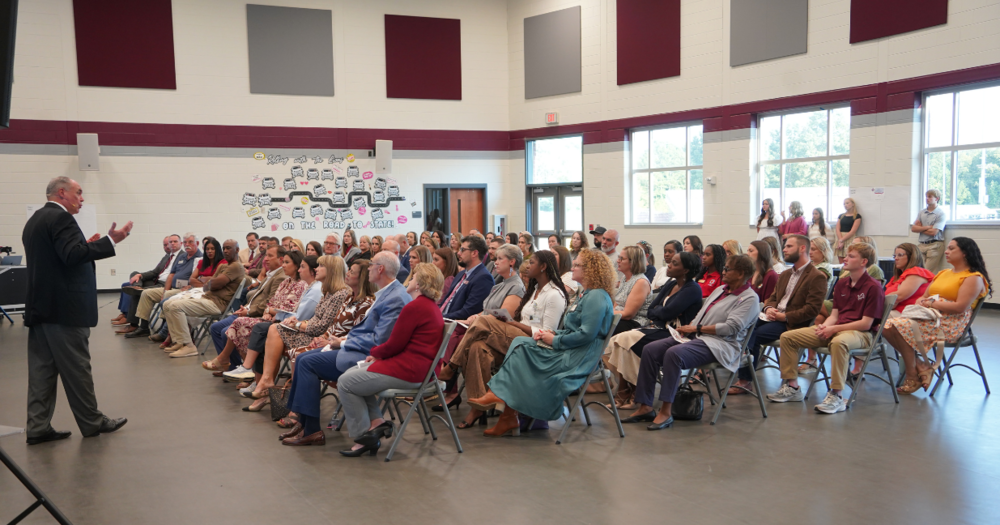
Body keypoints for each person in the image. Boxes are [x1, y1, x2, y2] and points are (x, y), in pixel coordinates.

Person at [22, 176, 132, 444]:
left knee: (42, 372)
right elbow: (72, 256)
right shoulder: (61, 218)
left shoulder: (36, 219)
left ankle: (37, 427)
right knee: (77, 369)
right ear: (62, 193)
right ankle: (92, 422)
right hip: (64, 311)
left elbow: (60, 257)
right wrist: (109, 241)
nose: (82, 199)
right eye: (78, 193)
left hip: (41, 308)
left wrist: (86, 246)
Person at [468, 249, 616, 437]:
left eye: (577, 265)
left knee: (521, 347)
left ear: (591, 270)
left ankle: (502, 403)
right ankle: (506, 411)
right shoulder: (587, 294)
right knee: (520, 344)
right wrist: (553, 333)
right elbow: (574, 329)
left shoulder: (596, 296)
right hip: (571, 348)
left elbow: (586, 335)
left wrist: (555, 339)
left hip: (578, 357)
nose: (572, 268)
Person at [279, 252, 410, 445]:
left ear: (380, 269)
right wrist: (342, 339)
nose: (369, 268)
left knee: (307, 363)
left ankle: (311, 429)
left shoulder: (395, 297)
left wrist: (341, 343)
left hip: (367, 355)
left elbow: (379, 340)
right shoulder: (387, 293)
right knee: (301, 359)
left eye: (372, 264)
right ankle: (304, 423)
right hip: (356, 347)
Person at [622, 254, 759, 430]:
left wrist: (696, 328)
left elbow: (731, 328)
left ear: (740, 274)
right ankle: (646, 406)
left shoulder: (749, 298)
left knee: (674, 354)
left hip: (721, 344)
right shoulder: (721, 290)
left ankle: (666, 411)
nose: (723, 271)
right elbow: (701, 314)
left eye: (727, 269)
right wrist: (689, 328)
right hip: (698, 337)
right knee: (650, 349)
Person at [440, 251, 568, 428]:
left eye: (532, 263)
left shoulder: (554, 294)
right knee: (478, 347)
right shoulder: (534, 290)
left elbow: (548, 333)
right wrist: (511, 322)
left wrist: (513, 324)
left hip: (534, 344)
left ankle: (452, 366)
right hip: (517, 337)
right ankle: (477, 407)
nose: (528, 266)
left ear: (543, 267)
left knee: (482, 321)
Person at [336, 263, 447, 456]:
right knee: (353, 374)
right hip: (417, 369)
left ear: (419, 284)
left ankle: (363, 437)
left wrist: (375, 353)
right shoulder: (429, 306)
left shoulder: (415, 307)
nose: (409, 280)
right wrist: (378, 355)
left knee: (346, 382)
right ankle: (377, 423)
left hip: (409, 370)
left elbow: (394, 344)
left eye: (413, 277)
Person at [767, 242, 885, 414]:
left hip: (861, 333)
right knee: (788, 337)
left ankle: (837, 395)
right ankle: (792, 387)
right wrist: (825, 327)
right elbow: (834, 316)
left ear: (863, 262)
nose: (845, 258)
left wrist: (833, 329)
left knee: (838, 342)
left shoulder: (873, 287)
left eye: (851, 256)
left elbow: (866, 323)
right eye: (846, 255)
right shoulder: (842, 284)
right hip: (837, 329)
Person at [884, 237, 990, 394]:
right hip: (930, 317)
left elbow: (960, 307)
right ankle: (921, 365)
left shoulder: (973, 277)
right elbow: (923, 298)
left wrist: (931, 303)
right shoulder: (943, 273)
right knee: (884, 327)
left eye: (951, 248)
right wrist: (925, 302)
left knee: (896, 326)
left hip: (950, 323)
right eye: (947, 248)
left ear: (965, 253)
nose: (946, 251)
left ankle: (912, 374)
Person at [246, 256, 353, 400]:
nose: (316, 269)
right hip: (314, 333)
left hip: (323, 339)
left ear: (332, 270)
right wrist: (298, 322)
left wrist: (297, 324)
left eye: (321, 266)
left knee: (272, 331)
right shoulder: (328, 291)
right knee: (271, 330)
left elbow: (321, 327)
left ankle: (267, 383)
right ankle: (266, 381)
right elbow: (315, 319)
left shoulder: (340, 294)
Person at [730, 235, 827, 394]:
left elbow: (812, 309)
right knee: (742, 326)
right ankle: (740, 366)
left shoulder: (816, 276)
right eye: (785, 246)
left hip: (791, 323)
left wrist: (785, 316)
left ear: (802, 248)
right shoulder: (786, 274)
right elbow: (773, 297)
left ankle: (745, 380)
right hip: (772, 317)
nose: (784, 249)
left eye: (789, 246)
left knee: (753, 335)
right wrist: (769, 308)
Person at [605, 252, 703, 408]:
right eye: (670, 262)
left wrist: (661, 312)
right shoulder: (671, 284)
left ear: (685, 270)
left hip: (676, 334)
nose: (669, 265)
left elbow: (666, 313)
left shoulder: (692, 289)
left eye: (675, 263)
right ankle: (627, 389)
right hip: (657, 327)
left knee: (624, 341)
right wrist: (661, 312)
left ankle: (630, 391)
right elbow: (651, 310)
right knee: (616, 342)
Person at [203, 250, 302, 374]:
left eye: (286, 262)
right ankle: (234, 366)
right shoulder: (284, 281)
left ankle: (242, 368)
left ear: (296, 265)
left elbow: (286, 308)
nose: (283, 265)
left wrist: (262, 311)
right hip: (265, 315)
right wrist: (268, 311)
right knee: (221, 327)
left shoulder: (295, 282)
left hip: (280, 322)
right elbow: (272, 302)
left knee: (232, 329)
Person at [225, 254, 321, 382]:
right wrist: (268, 311)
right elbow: (271, 302)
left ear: (312, 271)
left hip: (296, 327)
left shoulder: (307, 287)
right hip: (282, 321)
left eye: (302, 267)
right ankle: (253, 376)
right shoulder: (288, 282)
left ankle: (252, 373)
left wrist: (273, 312)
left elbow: (298, 315)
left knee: (259, 330)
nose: (299, 269)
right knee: (237, 327)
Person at [161, 239, 246, 358]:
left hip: (218, 304)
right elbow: (208, 286)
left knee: (175, 306)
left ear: (237, 250)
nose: (225, 251)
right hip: (207, 298)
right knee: (167, 304)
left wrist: (211, 283)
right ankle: (179, 342)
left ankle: (188, 346)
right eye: (224, 248)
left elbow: (213, 283)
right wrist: (211, 283)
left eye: (228, 248)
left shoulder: (236, 266)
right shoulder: (223, 266)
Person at [125, 233, 203, 339]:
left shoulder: (200, 258)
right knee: (146, 293)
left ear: (197, 243)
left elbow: (198, 279)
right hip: (170, 287)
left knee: (167, 296)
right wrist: (165, 291)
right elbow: (171, 275)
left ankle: (164, 329)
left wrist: (189, 286)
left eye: (190, 242)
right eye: (185, 242)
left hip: (185, 290)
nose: (187, 244)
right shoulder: (182, 256)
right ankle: (143, 328)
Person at [111, 235, 179, 329]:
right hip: (156, 281)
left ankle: (130, 320)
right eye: (165, 245)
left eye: (170, 243)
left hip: (164, 284)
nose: (168, 246)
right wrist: (140, 275)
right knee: (132, 277)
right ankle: (128, 306)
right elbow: (155, 272)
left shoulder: (181, 256)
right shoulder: (167, 257)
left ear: (180, 243)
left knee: (136, 293)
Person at [440, 236, 497, 321]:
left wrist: (442, 318)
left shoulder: (483, 278)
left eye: (462, 250)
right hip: (445, 318)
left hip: (456, 323)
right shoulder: (461, 274)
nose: (459, 253)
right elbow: (446, 301)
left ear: (474, 253)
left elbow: (468, 311)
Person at [884, 243, 934, 314]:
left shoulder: (916, 272)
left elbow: (898, 296)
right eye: (894, 256)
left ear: (911, 257)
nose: (896, 258)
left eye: (900, 255)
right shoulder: (897, 277)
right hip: (894, 311)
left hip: (908, 313)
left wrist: (876, 301)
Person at [613, 246, 653, 334]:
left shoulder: (641, 282)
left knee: (599, 327)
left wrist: (605, 314)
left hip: (635, 322)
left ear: (633, 262)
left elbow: (628, 314)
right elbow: (616, 304)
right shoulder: (624, 278)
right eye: (619, 258)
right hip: (620, 318)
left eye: (622, 259)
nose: (618, 261)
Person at [912, 189, 948, 273]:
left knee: (926, 272)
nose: (927, 199)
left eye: (930, 197)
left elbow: (934, 232)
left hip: (934, 245)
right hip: (922, 245)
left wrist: (920, 228)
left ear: (937, 198)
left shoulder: (941, 213)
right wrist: (928, 227)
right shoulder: (922, 212)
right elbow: (913, 228)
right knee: (917, 270)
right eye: (926, 197)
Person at [835, 198, 862, 262]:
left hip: (850, 238)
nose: (845, 205)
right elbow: (837, 229)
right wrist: (840, 240)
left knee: (849, 258)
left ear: (853, 204)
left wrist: (842, 240)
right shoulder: (841, 216)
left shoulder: (857, 216)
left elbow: (853, 231)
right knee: (841, 261)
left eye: (847, 203)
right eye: (844, 204)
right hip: (840, 237)